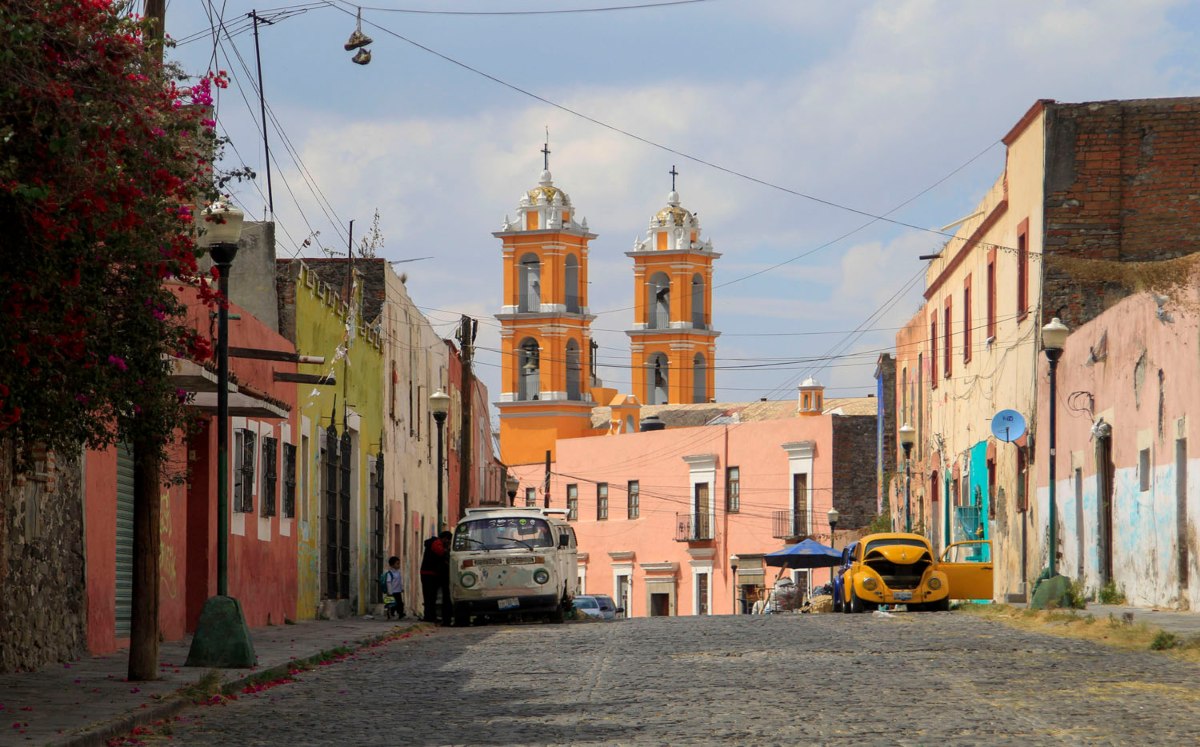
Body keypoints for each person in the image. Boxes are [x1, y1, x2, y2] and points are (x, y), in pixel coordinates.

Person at [419, 535, 443, 623]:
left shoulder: (432, 543)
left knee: (429, 596)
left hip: (427, 573)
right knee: (431, 597)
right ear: (445, 538)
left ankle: (429, 616)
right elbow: (441, 553)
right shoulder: (436, 543)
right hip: (430, 574)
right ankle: (430, 616)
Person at [437, 530, 453, 626]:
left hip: (444, 575)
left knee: (446, 598)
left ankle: (446, 619)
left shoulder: (443, 547)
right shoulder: (439, 546)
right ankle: (446, 619)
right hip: (443, 576)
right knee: (446, 598)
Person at [380, 556, 405, 620]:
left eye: (399, 563)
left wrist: (401, 588)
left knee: (400, 603)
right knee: (392, 604)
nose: (399, 565)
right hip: (392, 592)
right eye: (397, 564)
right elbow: (388, 583)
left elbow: (400, 581)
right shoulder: (390, 573)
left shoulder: (398, 572)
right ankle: (391, 614)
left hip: (398, 591)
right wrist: (390, 592)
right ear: (392, 565)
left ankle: (401, 614)